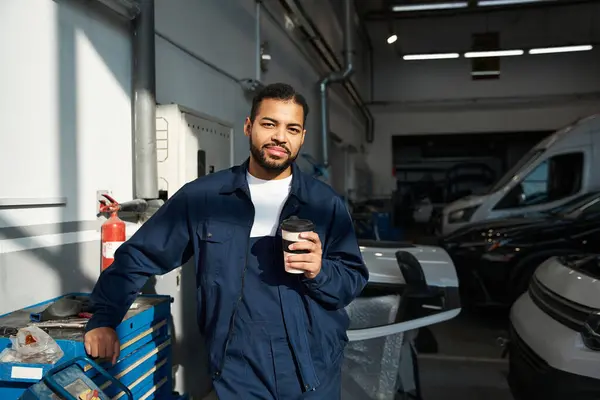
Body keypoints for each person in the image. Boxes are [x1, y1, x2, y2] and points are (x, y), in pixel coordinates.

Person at [83, 82, 369, 399]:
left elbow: (352, 280)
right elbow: (139, 256)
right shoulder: (205, 198)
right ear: (249, 126)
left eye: (292, 128)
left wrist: (320, 270)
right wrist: (105, 318)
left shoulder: (324, 203)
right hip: (239, 372)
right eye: (269, 124)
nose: (280, 137)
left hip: (314, 368)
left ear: (302, 137)